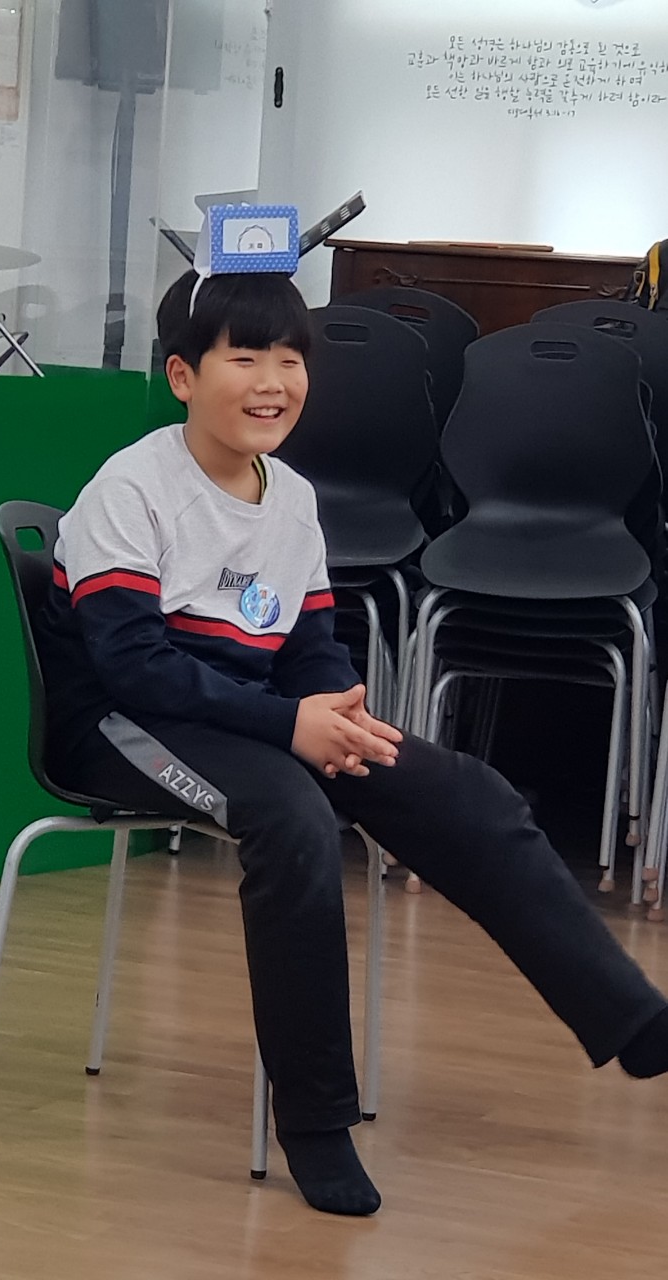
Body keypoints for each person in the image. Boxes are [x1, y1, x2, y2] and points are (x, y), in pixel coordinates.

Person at [38, 268, 668, 1218]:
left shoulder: (290, 496)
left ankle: (630, 1018)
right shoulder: (131, 488)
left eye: (289, 360)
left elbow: (309, 645)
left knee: (465, 792)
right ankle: (316, 1121)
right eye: (244, 358)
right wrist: (290, 726)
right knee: (292, 821)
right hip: (127, 729)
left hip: (247, 719)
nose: (271, 382)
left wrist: (338, 714)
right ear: (182, 376)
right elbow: (134, 670)